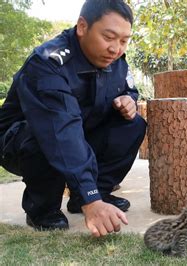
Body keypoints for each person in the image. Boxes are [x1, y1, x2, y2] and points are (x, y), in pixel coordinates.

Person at [0, 0, 146, 237]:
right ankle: (43, 207)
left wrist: (128, 99)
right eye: (109, 37)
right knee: (45, 135)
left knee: (132, 124)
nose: (116, 48)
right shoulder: (48, 62)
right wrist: (92, 199)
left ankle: (88, 195)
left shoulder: (117, 61)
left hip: (77, 130)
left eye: (123, 40)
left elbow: (127, 88)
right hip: (20, 141)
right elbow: (60, 130)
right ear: (82, 27)